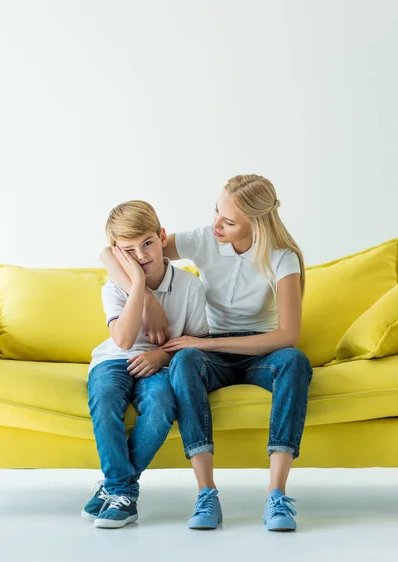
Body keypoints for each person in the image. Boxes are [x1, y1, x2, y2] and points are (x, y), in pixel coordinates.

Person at [101, 174, 312, 532]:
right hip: (208, 354)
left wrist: (206, 343)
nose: (216, 224)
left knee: (295, 362)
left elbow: (287, 336)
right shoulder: (205, 239)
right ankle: (206, 492)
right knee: (184, 360)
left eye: (228, 221)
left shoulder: (282, 258)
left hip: (258, 351)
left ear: (256, 223)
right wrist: (148, 299)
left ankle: (276, 495)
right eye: (217, 211)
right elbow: (112, 253)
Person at [82, 200, 209, 529]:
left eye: (148, 243)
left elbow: (196, 344)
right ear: (118, 253)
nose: (142, 255)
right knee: (106, 397)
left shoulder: (190, 287)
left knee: (162, 403)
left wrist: (161, 355)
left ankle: (115, 488)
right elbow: (122, 341)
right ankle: (123, 490)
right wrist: (139, 286)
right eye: (130, 250)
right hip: (113, 361)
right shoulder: (114, 288)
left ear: (162, 236)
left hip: (162, 364)